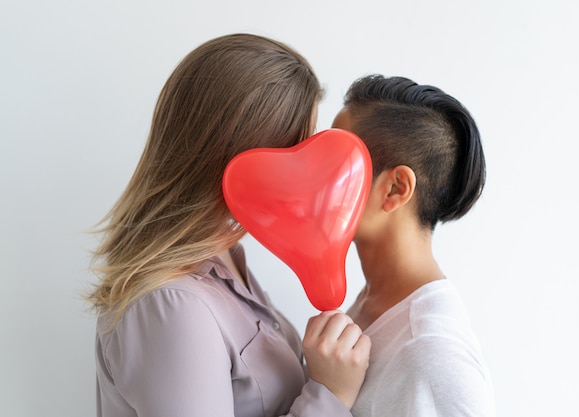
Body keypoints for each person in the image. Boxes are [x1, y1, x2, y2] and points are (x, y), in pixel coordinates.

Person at [86, 33, 370, 417]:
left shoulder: (226, 258)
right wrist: (329, 394)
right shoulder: (172, 305)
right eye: (296, 151)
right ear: (243, 155)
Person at [331, 74, 496, 416]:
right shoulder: (373, 302)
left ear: (394, 189)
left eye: (334, 162)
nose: (315, 176)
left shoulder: (434, 354)